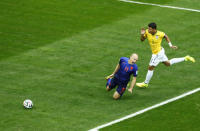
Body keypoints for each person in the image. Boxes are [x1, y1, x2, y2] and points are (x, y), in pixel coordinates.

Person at [136, 22, 195, 88]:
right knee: (168, 63)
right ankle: (186, 58)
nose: (148, 30)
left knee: (150, 67)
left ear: (154, 29)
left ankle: (145, 83)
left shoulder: (160, 33)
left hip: (158, 53)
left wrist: (171, 45)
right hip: (158, 52)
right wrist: (142, 34)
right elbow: (142, 40)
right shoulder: (147, 32)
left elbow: (166, 36)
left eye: (150, 29)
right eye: (148, 29)